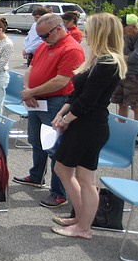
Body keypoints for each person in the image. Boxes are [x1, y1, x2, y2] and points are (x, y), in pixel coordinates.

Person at [50, 13, 126, 239]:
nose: (86, 32)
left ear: (102, 32)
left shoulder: (108, 63)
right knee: (71, 172)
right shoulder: (97, 59)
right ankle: (81, 218)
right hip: (83, 124)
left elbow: (88, 101)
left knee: (79, 176)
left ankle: (84, 226)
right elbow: (77, 94)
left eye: (90, 28)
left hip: (89, 127)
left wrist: (66, 120)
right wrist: (62, 112)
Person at [13, 13, 85, 208]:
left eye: (45, 35)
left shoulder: (72, 49)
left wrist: (32, 92)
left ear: (59, 29)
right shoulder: (46, 44)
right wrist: (29, 91)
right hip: (36, 101)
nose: (43, 39)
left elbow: (62, 80)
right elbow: (31, 68)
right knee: (36, 141)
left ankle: (58, 192)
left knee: (55, 149)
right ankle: (36, 175)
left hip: (55, 102)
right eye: (40, 36)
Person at [111, 13, 138, 129]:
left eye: (125, 26)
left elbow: (137, 57)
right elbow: (117, 52)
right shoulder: (126, 37)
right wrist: (123, 56)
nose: (123, 29)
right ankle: (121, 128)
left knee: (135, 105)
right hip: (122, 72)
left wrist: (121, 57)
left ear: (133, 26)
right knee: (121, 103)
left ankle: (136, 134)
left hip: (135, 75)